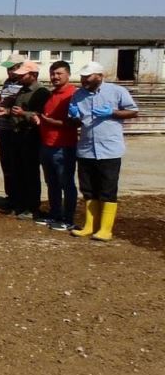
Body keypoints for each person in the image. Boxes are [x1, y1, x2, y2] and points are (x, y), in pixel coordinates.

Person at [68, 62, 138, 241]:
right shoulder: (78, 95)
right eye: (83, 77)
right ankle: (90, 225)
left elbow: (132, 111)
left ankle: (106, 229)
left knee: (107, 189)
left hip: (109, 150)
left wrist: (112, 112)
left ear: (100, 75)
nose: (85, 80)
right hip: (86, 149)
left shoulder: (116, 91)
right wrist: (74, 116)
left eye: (88, 77)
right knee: (88, 189)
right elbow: (74, 122)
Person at [0, 61, 48, 219]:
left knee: (30, 172)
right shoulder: (22, 90)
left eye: (23, 75)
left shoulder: (41, 92)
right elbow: (18, 111)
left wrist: (22, 114)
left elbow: (41, 115)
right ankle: (19, 204)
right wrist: (7, 111)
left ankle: (32, 207)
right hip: (17, 134)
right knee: (17, 170)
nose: (19, 77)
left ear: (33, 75)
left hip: (30, 136)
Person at [34, 61, 78, 230]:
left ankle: (68, 218)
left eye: (59, 73)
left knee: (66, 182)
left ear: (68, 74)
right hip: (47, 144)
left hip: (64, 145)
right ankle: (54, 214)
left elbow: (76, 122)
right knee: (51, 182)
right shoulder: (52, 94)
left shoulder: (73, 94)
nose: (55, 77)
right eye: (53, 74)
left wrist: (52, 122)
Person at [0, 53, 28, 209]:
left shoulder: (25, 85)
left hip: (16, 129)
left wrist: (8, 109)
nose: (10, 72)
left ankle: (20, 197)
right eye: (8, 69)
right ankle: (10, 195)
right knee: (6, 163)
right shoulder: (7, 83)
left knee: (18, 165)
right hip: (3, 128)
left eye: (12, 68)